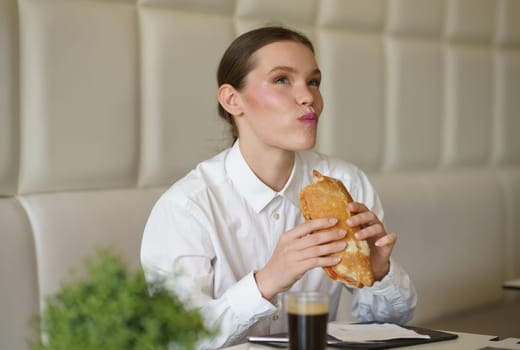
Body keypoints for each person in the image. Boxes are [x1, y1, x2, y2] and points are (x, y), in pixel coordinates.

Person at [140, 26, 417, 349]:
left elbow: (392, 324)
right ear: (232, 100)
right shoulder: (187, 207)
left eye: (313, 82)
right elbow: (178, 339)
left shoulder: (347, 183)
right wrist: (268, 281)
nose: (308, 97)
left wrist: (378, 271)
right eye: (282, 80)